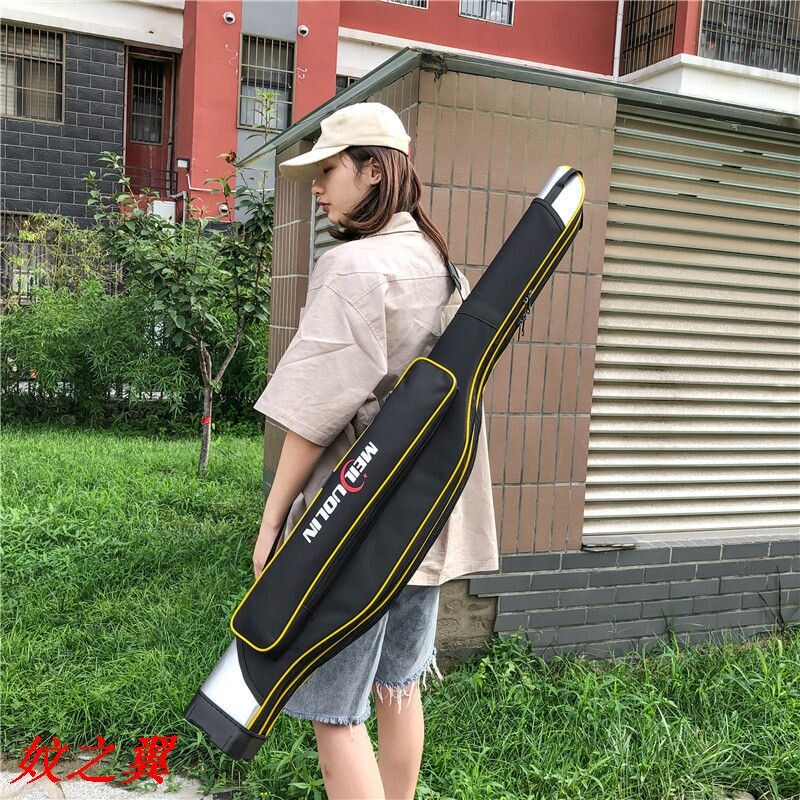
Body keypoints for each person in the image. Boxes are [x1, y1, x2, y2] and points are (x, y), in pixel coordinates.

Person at [251, 103, 498, 800]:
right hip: (424, 519)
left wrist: (272, 524)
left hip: (354, 523)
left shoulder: (353, 267)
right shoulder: (443, 268)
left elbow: (313, 414)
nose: (317, 189)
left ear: (373, 170)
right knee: (398, 686)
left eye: (328, 170)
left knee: (333, 710)